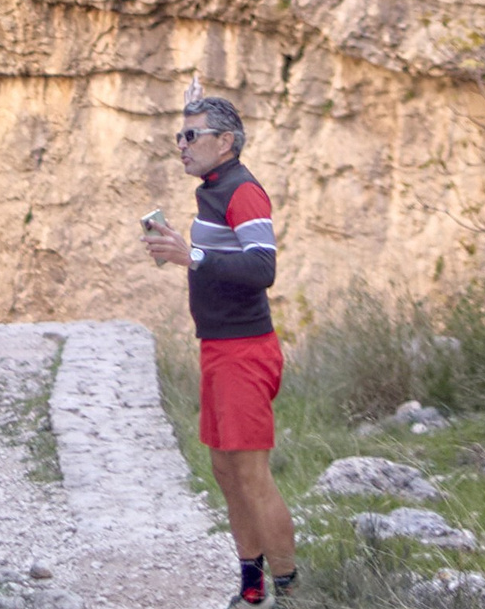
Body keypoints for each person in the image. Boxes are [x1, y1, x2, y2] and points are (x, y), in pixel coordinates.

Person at [143, 89, 295, 607]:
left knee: (251, 475)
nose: (181, 145)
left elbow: (262, 268)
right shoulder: (213, 186)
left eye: (191, 135)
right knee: (226, 473)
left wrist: (195, 256)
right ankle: (252, 592)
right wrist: (190, 253)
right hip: (218, 349)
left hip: (245, 351)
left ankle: (290, 591)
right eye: (178, 136)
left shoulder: (243, 191)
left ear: (225, 141)